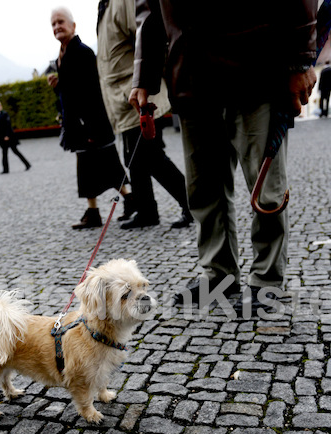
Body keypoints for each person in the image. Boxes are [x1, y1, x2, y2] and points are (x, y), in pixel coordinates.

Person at [129, 1, 317, 315]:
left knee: (266, 188)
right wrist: (143, 77)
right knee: (204, 191)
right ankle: (219, 277)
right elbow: (149, 12)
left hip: (258, 70)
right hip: (190, 78)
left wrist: (300, 61)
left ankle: (267, 282)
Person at [96, 0, 192, 229]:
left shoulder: (122, 2)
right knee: (136, 159)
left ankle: (191, 204)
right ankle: (147, 210)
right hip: (124, 98)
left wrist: (145, 85)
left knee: (152, 158)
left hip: (137, 96)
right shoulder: (105, 5)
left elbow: (145, 36)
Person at [47, 6, 134, 229]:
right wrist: (59, 86)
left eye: (61, 22)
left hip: (91, 124)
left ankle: (124, 202)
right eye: (53, 24)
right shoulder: (62, 55)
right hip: (79, 125)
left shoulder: (82, 52)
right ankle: (101, 209)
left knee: (108, 166)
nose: (57, 26)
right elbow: (71, 92)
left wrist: (90, 126)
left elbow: (92, 92)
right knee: (92, 167)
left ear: (73, 26)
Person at [0, 101, 31, 174]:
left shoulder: (4, 114)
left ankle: (27, 164)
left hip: (9, 137)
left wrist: (7, 135)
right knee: (5, 153)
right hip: (2, 138)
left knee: (15, 151)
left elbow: (8, 125)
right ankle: (6, 169)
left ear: (1, 106)